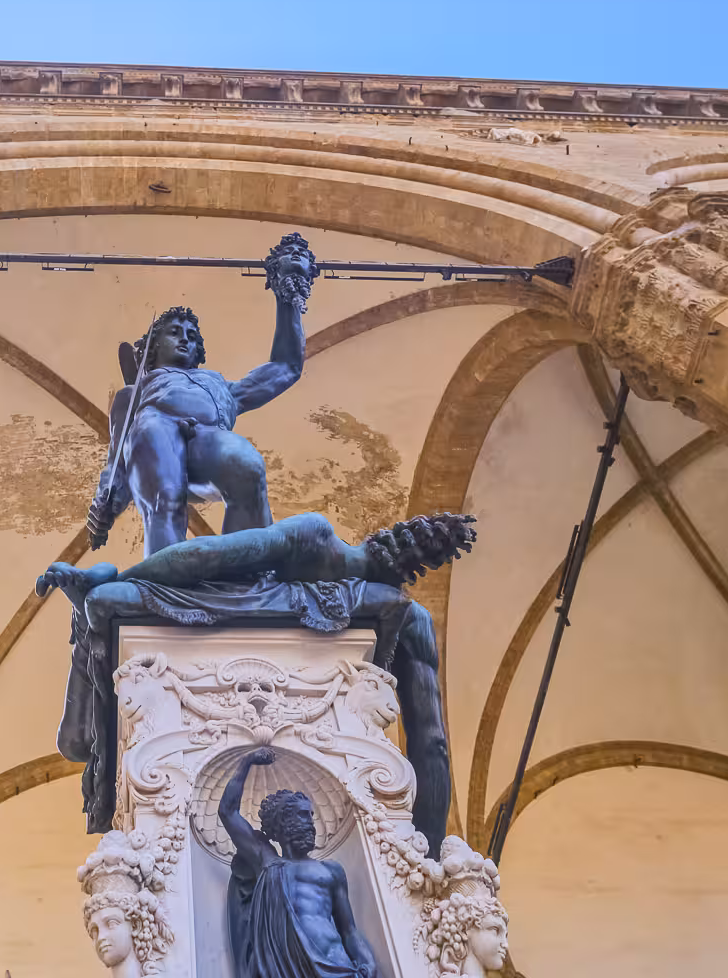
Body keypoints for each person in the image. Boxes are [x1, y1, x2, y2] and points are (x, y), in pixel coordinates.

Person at [40, 510, 474, 851]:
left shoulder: (322, 544)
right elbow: (432, 745)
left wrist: (123, 582)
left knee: (100, 616)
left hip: (226, 601)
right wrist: (429, 861)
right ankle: (97, 598)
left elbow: (205, 554)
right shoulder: (382, 594)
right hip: (231, 599)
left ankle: (95, 598)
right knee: (98, 625)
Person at [88, 233, 319, 556]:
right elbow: (117, 458)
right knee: (165, 498)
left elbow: (285, 367)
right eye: (174, 332)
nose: (186, 339)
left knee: (247, 466)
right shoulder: (135, 391)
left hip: (205, 436)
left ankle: (245, 578)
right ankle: (164, 585)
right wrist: (107, 501)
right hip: (155, 426)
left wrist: (288, 294)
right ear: (153, 347)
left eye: (192, 336)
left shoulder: (221, 387)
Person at [219, 748, 378, 978]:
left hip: (336, 966)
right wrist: (245, 763)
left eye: (312, 816)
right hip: (283, 969)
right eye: (304, 815)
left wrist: (367, 961)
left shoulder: (330, 870)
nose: (311, 824)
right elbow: (227, 811)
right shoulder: (265, 859)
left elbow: (349, 929)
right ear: (283, 821)